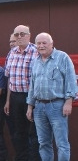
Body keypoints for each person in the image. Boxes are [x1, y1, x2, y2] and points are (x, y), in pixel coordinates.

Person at [26, 33, 77, 161]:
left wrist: (68, 102)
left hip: (57, 106)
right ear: (35, 45)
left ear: (51, 44)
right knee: (43, 143)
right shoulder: (35, 62)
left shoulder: (63, 58)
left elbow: (71, 80)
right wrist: (30, 106)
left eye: (44, 43)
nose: (41, 45)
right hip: (38, 107)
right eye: (39, 43)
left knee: (62, 144)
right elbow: (32, 86)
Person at [4, 25, 40, 161]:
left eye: (22, 34)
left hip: (32, 98)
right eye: (17, 34)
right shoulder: (12, 52)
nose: (19, 37)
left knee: (33, 133)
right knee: (19, 132)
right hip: (15, 97)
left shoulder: (36, 51)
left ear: (29, 35)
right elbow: (9, 79)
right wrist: (8, 100)